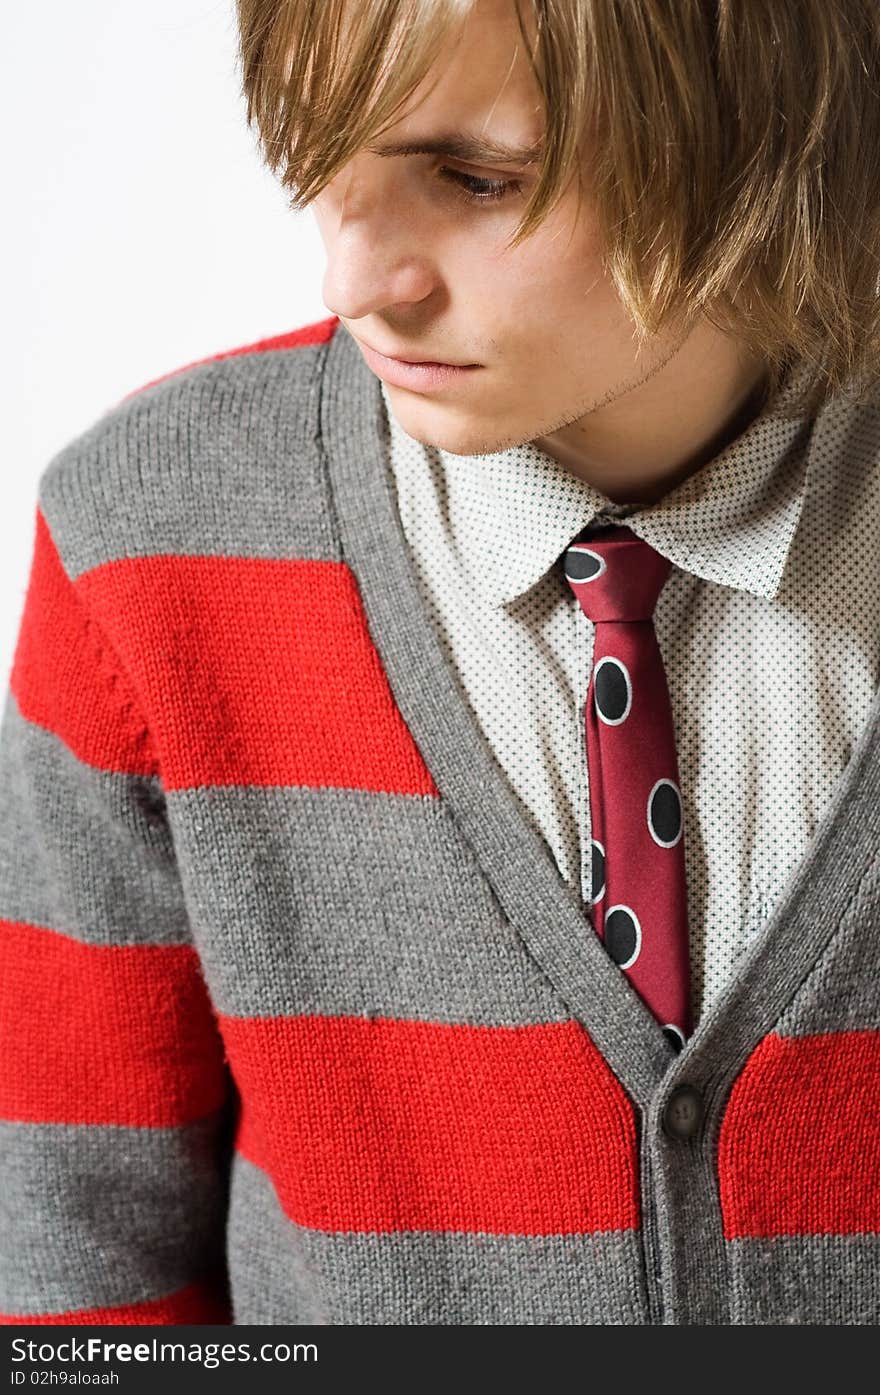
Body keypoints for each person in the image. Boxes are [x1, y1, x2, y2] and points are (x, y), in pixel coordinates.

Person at [1, 0, 879, 1327]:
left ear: (756, 132)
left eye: (476, 179)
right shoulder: (151, 545)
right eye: (325, 164)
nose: (359, 283)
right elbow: (68, 1253)